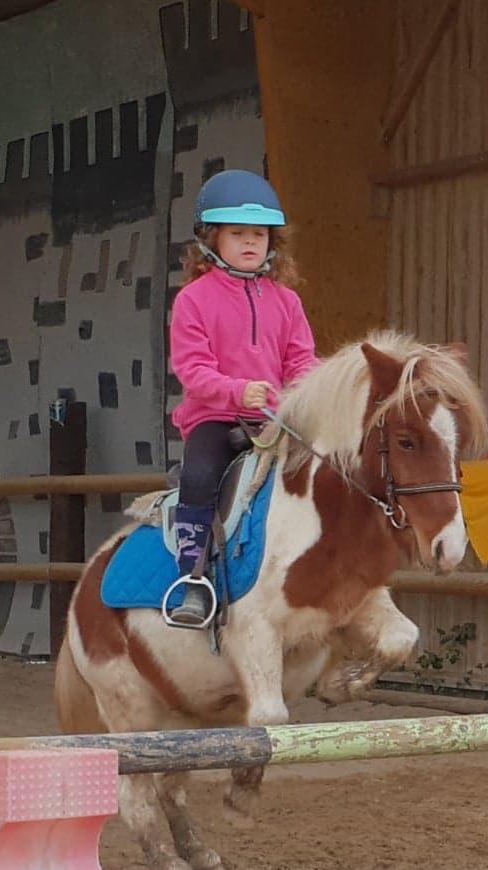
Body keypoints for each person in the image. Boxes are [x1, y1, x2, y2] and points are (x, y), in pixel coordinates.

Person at [165, 168, 318, 628]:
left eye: (259, 235)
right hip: (214, 418)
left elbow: (303, 362)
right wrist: (238, 390)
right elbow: (191, 370)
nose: (251, 243)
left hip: (276, 421)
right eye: (238, 234)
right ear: (212, 239)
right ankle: (192, 580)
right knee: (200, 475)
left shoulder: (287, 302)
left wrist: (299, 399)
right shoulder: (192, 300)